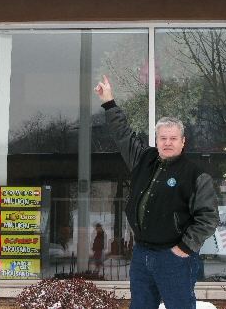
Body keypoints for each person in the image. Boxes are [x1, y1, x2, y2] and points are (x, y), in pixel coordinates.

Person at [94, 75, 219, 309]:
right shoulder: (144, 160)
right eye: (163, 138)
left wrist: (184, 248)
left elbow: (208, 218)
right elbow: (123, 134)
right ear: (157, 140)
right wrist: (109, 102)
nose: (168, 142)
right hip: (142, 253)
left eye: (173, 138)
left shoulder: (195, 175)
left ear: (183, 142)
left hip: (174, 258)